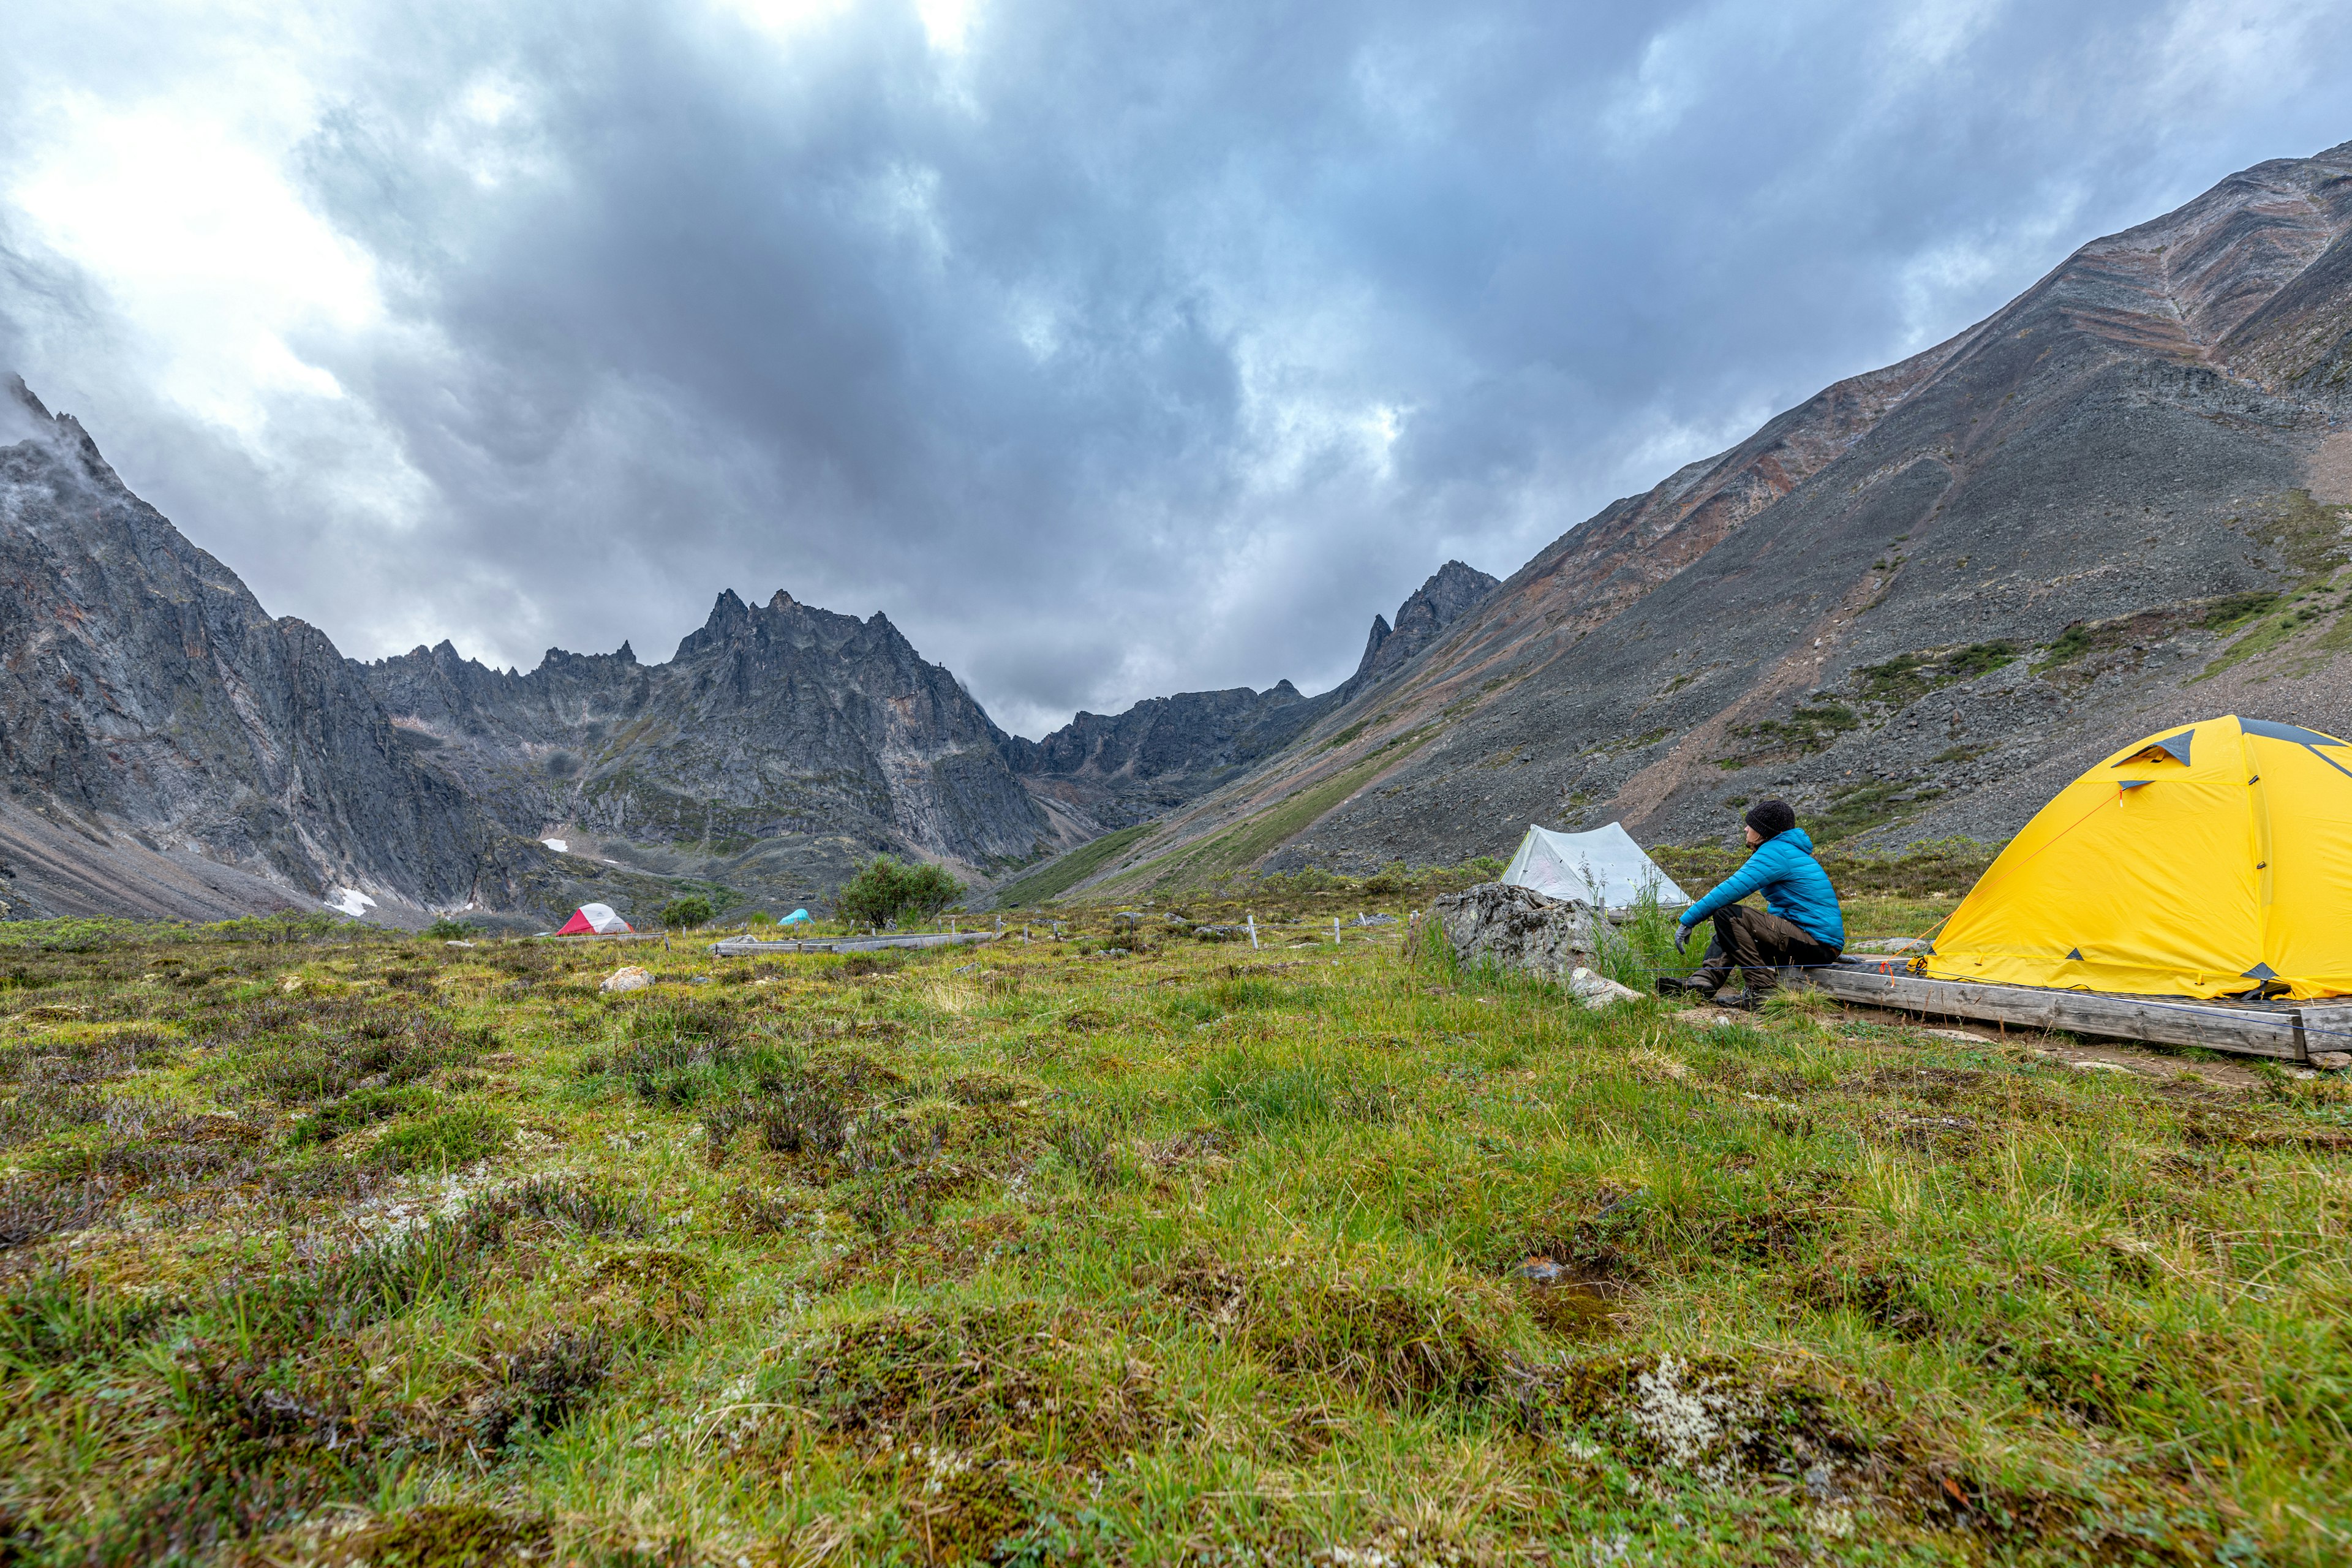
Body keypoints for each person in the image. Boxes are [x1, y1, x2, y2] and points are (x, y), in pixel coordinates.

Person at [1656, 799, 1843, 1007]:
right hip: (1814, 943)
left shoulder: (1776, 853)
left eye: (1751, 825)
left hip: (1816, 946)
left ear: (1764, 832)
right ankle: (1704, 982)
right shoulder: (1784, 850)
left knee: (1728, 916)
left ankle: (1761, 991)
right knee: (1730, 928)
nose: (1746, 828)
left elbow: (1730, 889)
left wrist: (1688, 920)